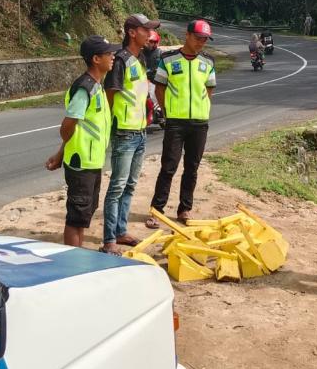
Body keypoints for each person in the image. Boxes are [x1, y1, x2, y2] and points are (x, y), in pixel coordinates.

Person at [45, 35, 116, 248]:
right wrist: (64, 153)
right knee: (76, 215)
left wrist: (59, 155)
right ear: (96, 59)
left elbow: (78, 129)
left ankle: (79, 253)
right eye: (108, 54)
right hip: (82, 162)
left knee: (84, 214)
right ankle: (72, 259)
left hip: (92, 161)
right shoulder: (85, 89)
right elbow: (67, 127)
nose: (113, 57)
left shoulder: (97, 86)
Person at [146, 20, 216, 227]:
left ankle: (185, 209)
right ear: (187, 35)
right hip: (176, 122)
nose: (201, 42)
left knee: (192, 167)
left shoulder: (208, 62)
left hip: (200, 123)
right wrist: (168, 113)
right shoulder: (168, 59)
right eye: (198, 38)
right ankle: (156, 210)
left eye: (205, 39)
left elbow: (209, 89)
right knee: (169, 166)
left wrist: (202, 108)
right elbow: (159, 88)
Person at [101, 13, 161, 254]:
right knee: (117, 186)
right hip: (124, 132)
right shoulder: (120, 61)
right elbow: (110, 96)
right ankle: (109, 240)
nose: (149, 34)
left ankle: (121, 230)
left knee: (130, 185)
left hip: (140, 131)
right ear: (132, 32)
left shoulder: (141, 59)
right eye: (145, 30)